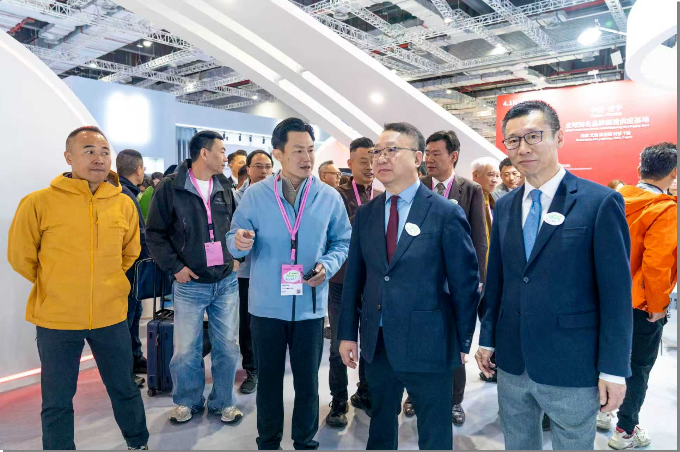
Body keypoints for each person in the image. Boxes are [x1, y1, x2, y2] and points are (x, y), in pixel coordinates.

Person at [475, 100, 633, 450]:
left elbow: (617, 296)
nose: (523, 148)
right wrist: (487, 339)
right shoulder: (505, 205)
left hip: (572, 362)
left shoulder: (599, 202)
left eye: (534, 136)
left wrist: (613, 369)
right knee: (518, 442)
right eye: (513, 140)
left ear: (559, 137)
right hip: (513, 360)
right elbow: (497, 282)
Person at [338, 122, 480, 450]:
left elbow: (465, 282)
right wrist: (347, 332)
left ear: (417, 158)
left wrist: (463, 340)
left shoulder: (445, 212)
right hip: (378, 341)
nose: (380, 158)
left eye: (391, 150)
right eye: (377, 151)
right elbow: (355, 278)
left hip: (430, 341)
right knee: (380, 424)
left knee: (434, 430)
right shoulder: (367, 214)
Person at [8, 126, 149, 450]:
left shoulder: (123, 204)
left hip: (111, 316)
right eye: (89, 151)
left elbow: (130, 252)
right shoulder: (39, 202)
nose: (99, 158)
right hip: (57, 318)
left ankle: (138, 442)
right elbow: (20, 256)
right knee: (57, 399)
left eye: (104, 152)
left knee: (124, 388)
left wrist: (106, 282)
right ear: (68, 157)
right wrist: (57, 283)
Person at [227, 118, 351, 450]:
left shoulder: (329, 197)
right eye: (298, 150)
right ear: (279, 154)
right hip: (266, 306)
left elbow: (342, 241)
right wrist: (238, 241)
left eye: (310, 150)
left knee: (308, 382)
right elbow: (234, 239)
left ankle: (304, 441)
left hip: (310, 306)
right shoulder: (255, 195)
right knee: (269, 381)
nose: (307, 158)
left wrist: (327, 265)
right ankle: (268, 442)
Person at [146, 130, 243, 425]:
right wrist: (175, 267)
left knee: (227, 347)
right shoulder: (171, 186)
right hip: (189, 283)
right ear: (204, 153)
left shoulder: (224, 184)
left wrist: (237, 257)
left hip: (225, 281)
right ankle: (188, 401)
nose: (226, 157)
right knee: (186, 350)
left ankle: (223, 401)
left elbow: (235, 225)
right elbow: (155, 233)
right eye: (222, 151)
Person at [406, 129, 487, 425]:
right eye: (427, 153)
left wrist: (478, 278)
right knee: (417, 340)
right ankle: (414, 395)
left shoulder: (471, 190)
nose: (429, 159)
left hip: (456, 282)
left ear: (453, 156)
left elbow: (479, 238)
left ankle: (454, 400)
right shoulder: (416, 186)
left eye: (436, 154)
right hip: (421, 280)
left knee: (455, 342)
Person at [605, 143, 677, 449]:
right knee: (638, 367)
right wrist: (657, 305)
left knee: (607, 357)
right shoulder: (665, 209)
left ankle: (603, 411)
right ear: (673, 174)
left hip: (605, 297)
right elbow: (657, 264)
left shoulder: (612, 199)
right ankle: (625, 430)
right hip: (640, 303)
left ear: (639, 170)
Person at [326, 137, 381, 428]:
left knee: (371, 343)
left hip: (373, 284)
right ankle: (338, 400)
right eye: (363, 161)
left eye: (374, 160)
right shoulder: (334, 196)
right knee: (339, 343)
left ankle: (365, 392)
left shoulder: (384, 194)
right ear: (350, 164)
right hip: (342, 282)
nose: (370, 166)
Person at [234, 149, 274, 395]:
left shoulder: (278, 196)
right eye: (258, 166)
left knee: (271, 321)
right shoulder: (235, 197)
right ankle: (252, 369)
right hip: (247, 271)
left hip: (273, 269)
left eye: (268, 166)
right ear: (248, 169)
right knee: (248, 324)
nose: (264, 171)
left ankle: (269, 366)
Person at [116, 149, 151, 380]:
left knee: (134, 314)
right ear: (138, 170)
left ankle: (135, 360)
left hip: (130, 268)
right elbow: (137, 235)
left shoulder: (124, 193)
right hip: (128, 269)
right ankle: (126, 370)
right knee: (127, 318)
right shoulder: (125, 196)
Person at [471, 157, 501, 249]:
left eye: (497, 176)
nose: (495, 180)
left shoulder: (493, 199)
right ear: (475, 175)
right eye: (490, 175)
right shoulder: (467, 198)